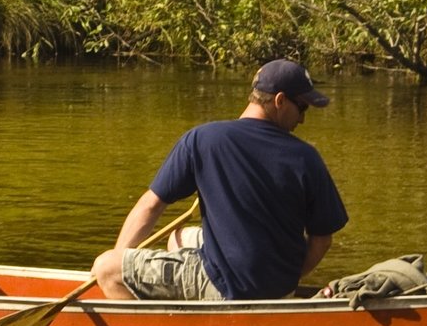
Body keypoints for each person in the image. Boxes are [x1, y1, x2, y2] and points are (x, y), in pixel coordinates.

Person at [93, 58, 349, 302]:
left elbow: (150, 206)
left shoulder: (202, 139)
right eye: (302, 107)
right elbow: (322, 241)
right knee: (179, 238)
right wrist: (284, 280)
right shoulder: (307, 157)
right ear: (280, 101)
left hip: (226, 285)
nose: (302, 118)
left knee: (107, 268)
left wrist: (119, 258)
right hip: (281, 287)